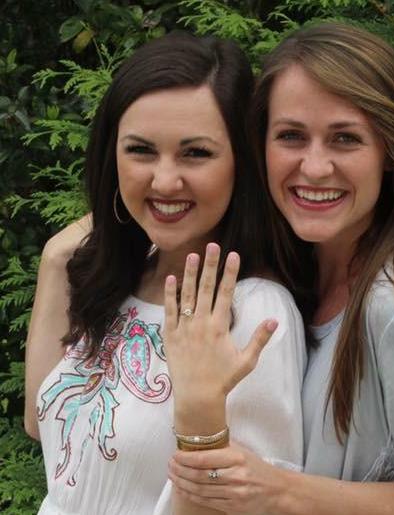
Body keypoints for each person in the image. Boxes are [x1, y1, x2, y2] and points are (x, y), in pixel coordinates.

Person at [166, 22, 394, 515]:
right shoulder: (296, 275)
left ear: (390, 151)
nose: (315, 167)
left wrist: (279, 490)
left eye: (345, 138)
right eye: (291, 136)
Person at [23, 30, 313, 515]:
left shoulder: (253, 313)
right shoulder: (120, 281)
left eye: (195, 153)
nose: (164, 180)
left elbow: (254, 506)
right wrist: (55, 262)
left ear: (241, 164)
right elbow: (41, 422)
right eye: (140, 150)